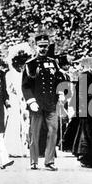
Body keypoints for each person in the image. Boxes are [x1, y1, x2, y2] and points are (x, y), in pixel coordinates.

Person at [22, 34, 66, 171]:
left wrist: (60, 93)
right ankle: (34, 161)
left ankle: (49, 161)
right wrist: (30, 101)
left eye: (45, 46)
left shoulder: (54, 62)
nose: (42, 49)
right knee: (34, 133)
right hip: (36, 104)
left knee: (53, 131)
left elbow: (59, 79)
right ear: (35, 46)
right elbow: (25, 85)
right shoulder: (30, 64)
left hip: (50, 103)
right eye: (40, 46)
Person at [5, 43, 32, 158]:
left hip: (25, 100)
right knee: (14, 123)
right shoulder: (10, 74)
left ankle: (25, 147)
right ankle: (13, 147)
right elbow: (9, 89)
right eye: (20, 62)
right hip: (14, 101)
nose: (22, 66)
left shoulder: (26, 74)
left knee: (26, 123)